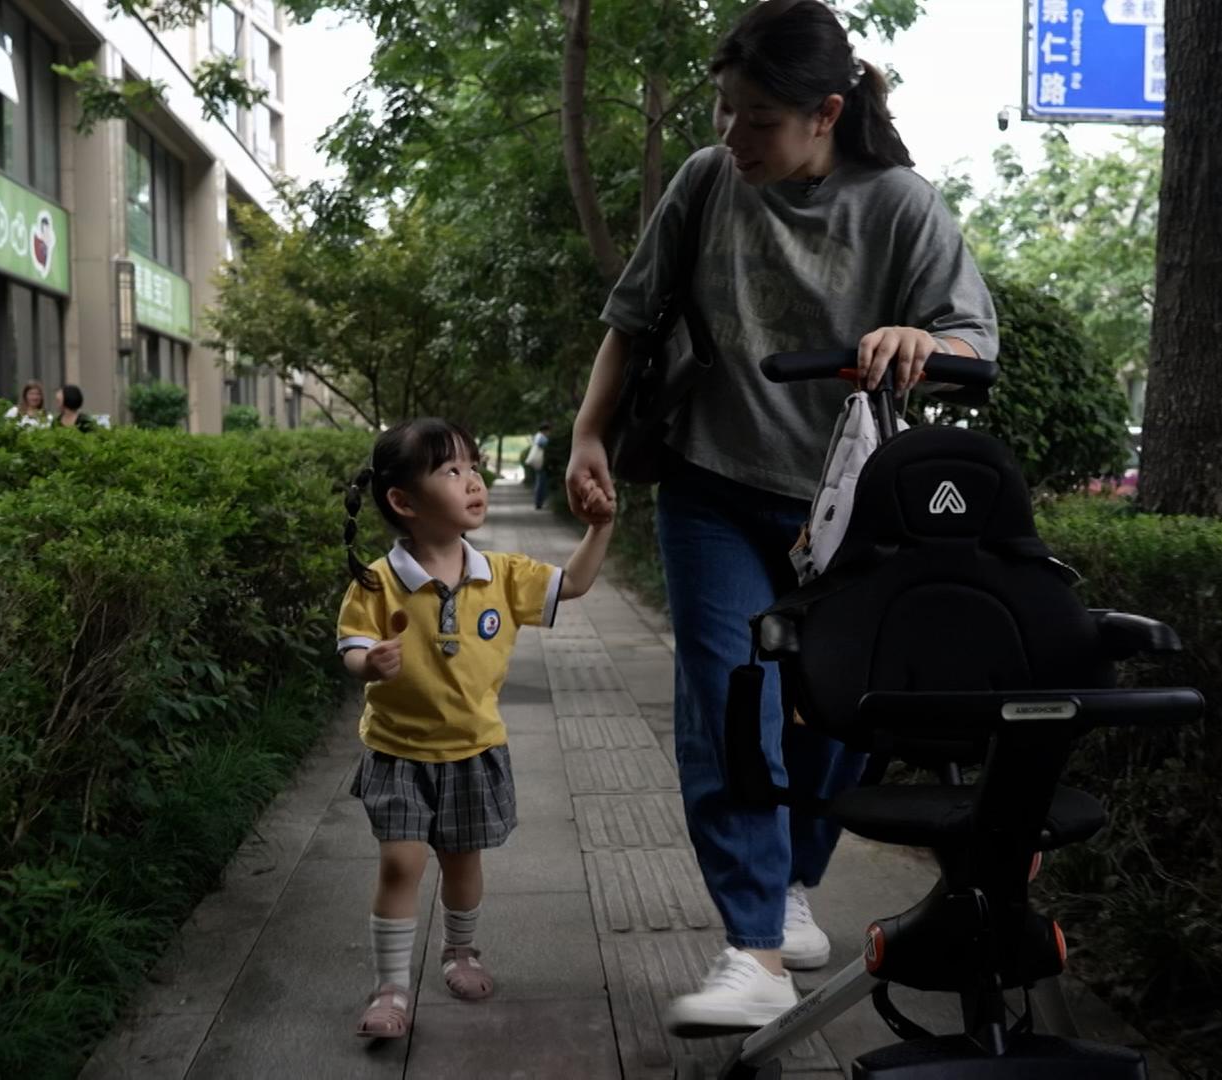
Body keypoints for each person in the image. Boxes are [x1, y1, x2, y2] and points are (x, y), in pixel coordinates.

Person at [563, 0, 1000, 1033]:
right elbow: (631, 322)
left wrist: (918, 338)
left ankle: (793, 883)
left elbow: (976, 343)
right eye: (724, 111)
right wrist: (587, 437)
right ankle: (753, 947)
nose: (732, 136)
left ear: (826, 113)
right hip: (711, 483)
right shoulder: (707, 183)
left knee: (840, 712)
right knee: (729, 699)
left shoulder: (900, 206)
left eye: (757, 118)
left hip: (847, 509)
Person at [337, 417, 615, 1039]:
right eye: (452, 471)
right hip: (398, 753)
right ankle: (390, 986)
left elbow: (571, 584)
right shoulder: (376, 583)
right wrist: (370, 661)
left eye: (474, 468)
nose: (474, 482)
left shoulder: (503, 573)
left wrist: (600, 526)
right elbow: (352, 648)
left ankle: (460, 952)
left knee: (462, 864)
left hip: (473, 750)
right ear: (403, 502)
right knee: (400, 865)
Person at [525, 423, 551, 509]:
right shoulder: (541, 437)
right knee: (541, 482)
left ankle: (539, 502)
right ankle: (539, 502)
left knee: (540, 482)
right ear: (545, 430)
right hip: (540, 463)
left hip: (538, 463)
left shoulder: (537, 436)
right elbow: (542, 444)